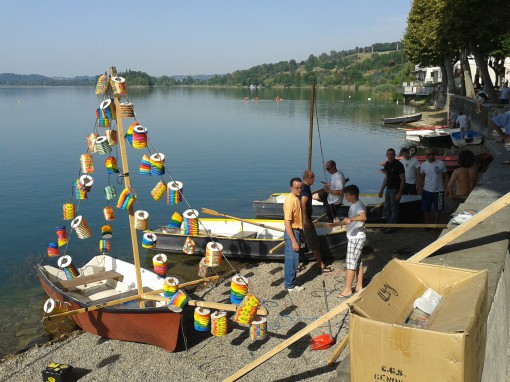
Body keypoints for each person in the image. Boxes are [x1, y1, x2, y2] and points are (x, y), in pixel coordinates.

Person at [328, 185, 366, 298]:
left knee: (350, 264)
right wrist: (336, 224)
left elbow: (363, 217)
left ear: (353, 195)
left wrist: (352, 219)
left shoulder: (358, 205)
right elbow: (349, 221)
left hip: (356, 238)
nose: (345, 196)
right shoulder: (354, 205)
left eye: (347, 195)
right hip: (356, 237)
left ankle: (347, 290)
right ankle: (359, 286)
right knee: (358, 262)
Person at [301, 170, 333, 274]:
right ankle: (321, 265)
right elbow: (303, 203)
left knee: (302, 241)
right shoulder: (305, 190)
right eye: (312, 177)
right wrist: (306, 220)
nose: (314, 179)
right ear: (307, 178)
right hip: (306, 221)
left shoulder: (305, 188)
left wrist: (323, 190)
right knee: (314, 243)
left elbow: (310, 194)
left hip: (304, 219)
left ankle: (297, 264)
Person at [283, 177, 305, 292]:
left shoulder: (297, 198)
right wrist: (293, 240)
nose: (299, 190)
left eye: (301, 188)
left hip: (298, 231)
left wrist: (302, 234)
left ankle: (291, 281)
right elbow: (287, 222)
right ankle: (289, 285)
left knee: (294, 259)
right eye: (297, 188)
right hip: (292, 232)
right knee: (291, 260)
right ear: (291, 188)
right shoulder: (290, 201)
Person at [417, 149, 449, 225]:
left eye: (432, 153)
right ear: (426, 156)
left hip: (438, 191)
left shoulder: (441, 163)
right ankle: (427, 224)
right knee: (426, 208)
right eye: (429, 154)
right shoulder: (423, 165)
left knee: (438, 209)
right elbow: (421, 177)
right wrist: (419, 188)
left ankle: (436, 225)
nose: (431, 155)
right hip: (426, 190)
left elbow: (446, 176)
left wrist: (446, 187)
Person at [378, 148, 405, 233]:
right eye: (388, 154)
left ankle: (392, 227)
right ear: (386, 155)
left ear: (394, 155)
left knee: (394, 208)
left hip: (395, 189)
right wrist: (381, 190)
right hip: (388, 189)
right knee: (387, 208)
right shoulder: (387, 164)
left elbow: (403, 180)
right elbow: (386, 178)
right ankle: (389, 225)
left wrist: (399, 193)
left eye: (392, 154)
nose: (390, 156)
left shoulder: (399, 165)